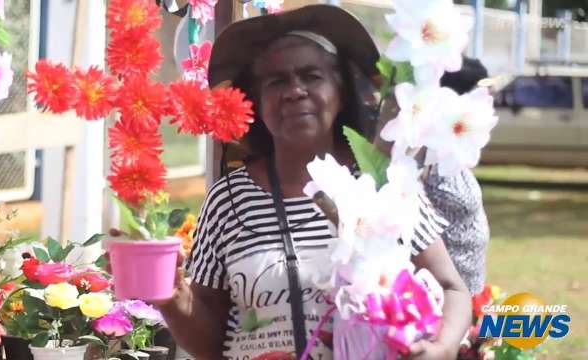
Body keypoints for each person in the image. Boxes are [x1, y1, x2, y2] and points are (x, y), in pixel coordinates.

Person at [156, 5, 471, 360]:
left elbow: (452, 288)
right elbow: (210, 344)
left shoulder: (383, 183)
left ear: (341, 93)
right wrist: (175, 300)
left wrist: (442, 348)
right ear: (256, 102)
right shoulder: (228, 199)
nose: (295, 91)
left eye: (312, 76)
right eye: (277, 81)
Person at [375, 57, 491, 295]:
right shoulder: (419, 143)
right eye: (480, 90)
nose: (488, 99)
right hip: (440, 294)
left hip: (469, 292)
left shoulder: (450, 145)